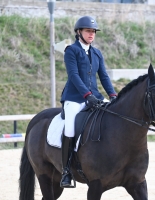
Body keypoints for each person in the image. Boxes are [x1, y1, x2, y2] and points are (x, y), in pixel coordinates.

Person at [60, 16, 117, 188]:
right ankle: (66, 171)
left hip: (96, 96)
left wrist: (113, 95)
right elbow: (74, 76)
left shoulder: (97, 53)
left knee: (115, 116)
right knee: (70, 128)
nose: (91, 34)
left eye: (93, 31)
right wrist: (86, 95)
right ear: (79, 32)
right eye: (88, 31)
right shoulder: (71, 50)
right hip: (75, 98)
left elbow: (104, 77)